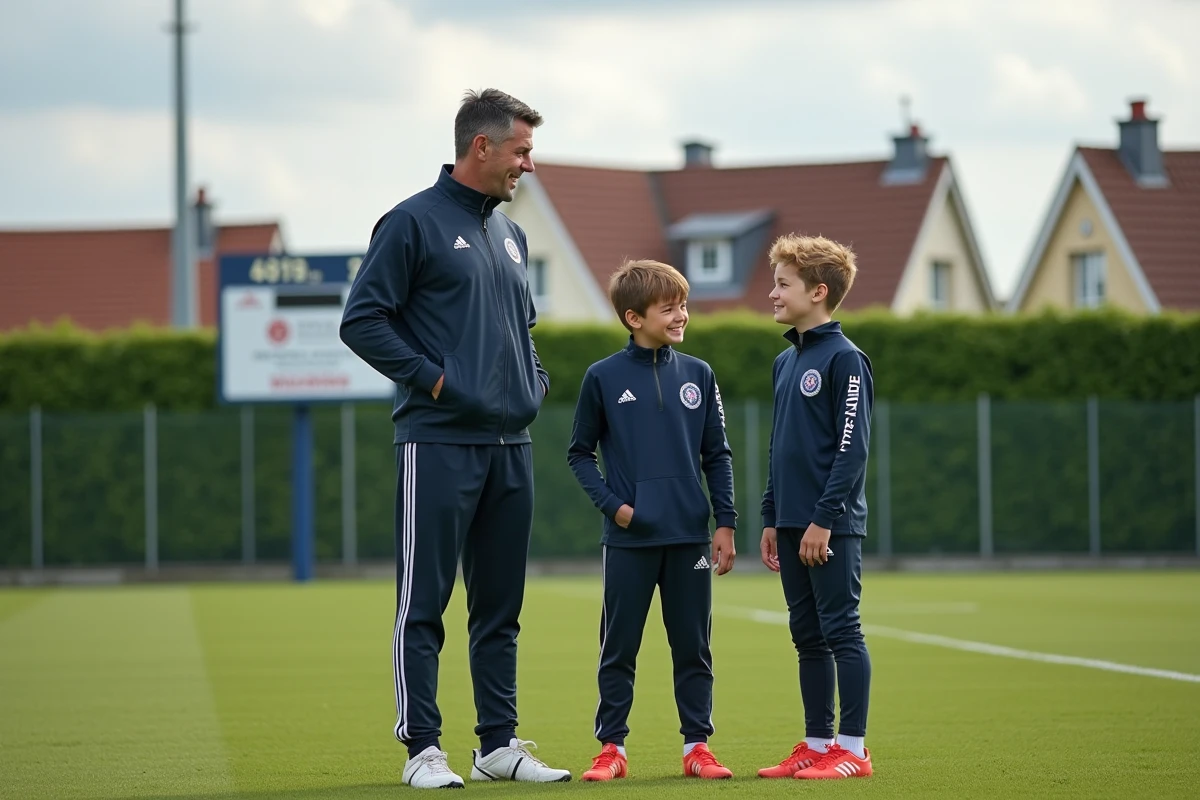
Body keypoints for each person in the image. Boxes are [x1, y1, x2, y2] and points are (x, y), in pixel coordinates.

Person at [339, 88, 570, 789]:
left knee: (500, 608)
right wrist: (437, 384)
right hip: (436, 442)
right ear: (482, 147)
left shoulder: (510, 233)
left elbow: (522, 330)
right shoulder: (411, 223)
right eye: (521, 151)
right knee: (425, 604)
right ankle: (423, 751)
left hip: (511, 449)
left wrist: (534, 384)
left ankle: (498, 745)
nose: (528, 165)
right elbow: (362, 320)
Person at [566, 259, 737, 782]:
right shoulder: (602, 377)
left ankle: (697, 747)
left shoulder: (699, 375)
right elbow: (579, 454)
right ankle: (611, 748)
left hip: (690, 538)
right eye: (670, 308)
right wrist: (617, 508)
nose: (682, 315)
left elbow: (718, 455)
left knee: (693, 645)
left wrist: (725, 522)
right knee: (619, 646)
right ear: (633, 318)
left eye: (683, 305)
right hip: (629, 541)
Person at [756, 234, 875, 781]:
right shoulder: (785, 361)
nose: (773, 293)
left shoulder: (846, 359)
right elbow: (783, 445)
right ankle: (816, 742)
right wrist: (770, 516)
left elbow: (852, 450)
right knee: (805, 636)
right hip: (789, 526)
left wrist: (823, 520)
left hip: (830, 527)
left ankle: (853, 748)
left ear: (818, 292)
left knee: (841, 630)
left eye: (783, 284)